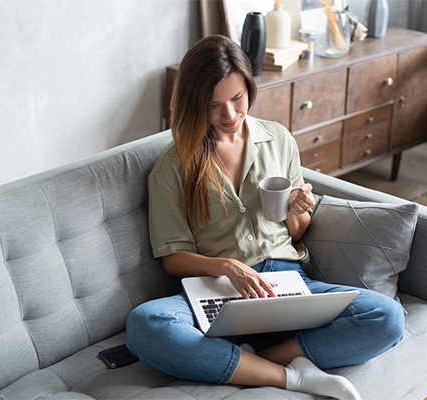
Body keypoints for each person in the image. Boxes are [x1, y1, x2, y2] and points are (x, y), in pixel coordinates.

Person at [126, 35, 404, 400]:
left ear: (249, 88)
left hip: (286, 280)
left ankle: (252, 361)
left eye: (237, 99)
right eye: (214, 105)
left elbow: (298, 233)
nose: (229, 115)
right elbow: (173, 259)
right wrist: (227, 267)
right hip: (219, 290)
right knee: (146, 324)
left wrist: (296, 212)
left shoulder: (279, 139)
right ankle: (290, 377)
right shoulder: (173, 164)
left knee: (387, 317)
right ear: (195, 104)